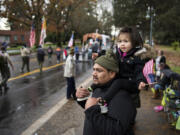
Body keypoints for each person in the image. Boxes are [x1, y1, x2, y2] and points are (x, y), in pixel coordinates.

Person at [87, 26, 155, 123]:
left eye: (126, 41)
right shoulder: (119, 52)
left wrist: (141, 81)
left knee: (120, 85)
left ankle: (104, 101)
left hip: (132, 83)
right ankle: (92, 87)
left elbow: (140, 71)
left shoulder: (138, 56)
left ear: (134, 42)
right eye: (120, 41)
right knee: (109, 79)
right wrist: (99, 54)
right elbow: (110, 55)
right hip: (121, 77)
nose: (122, 44)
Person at [76, 50, 136, 135]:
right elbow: (96, 109)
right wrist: (81, 98)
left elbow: (116, 131)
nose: (94, 73)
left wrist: (91, 110)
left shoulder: (122, 97)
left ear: (112, 73)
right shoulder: (99, 87)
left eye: (99, 70)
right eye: (93, 69)